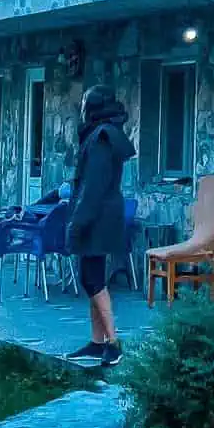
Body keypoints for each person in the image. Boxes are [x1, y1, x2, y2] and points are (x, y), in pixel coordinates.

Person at [66, 84, 134, 368]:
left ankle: (113, 344)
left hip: (98, 216)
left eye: (85, 103)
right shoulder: (101, 134)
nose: (82, 107)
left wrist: (78, 222)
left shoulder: (101, 138)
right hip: (103, 214)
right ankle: (97, 342)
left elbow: (93, 186)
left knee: (93, 279)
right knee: (90, 277)